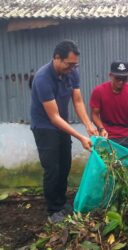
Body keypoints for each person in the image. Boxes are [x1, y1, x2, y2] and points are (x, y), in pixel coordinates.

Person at [30, 40, 98, 224]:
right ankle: (53, 210)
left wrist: (89, 125)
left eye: (75, 65)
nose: (72, 68)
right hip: (45, 127)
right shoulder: (42, 78)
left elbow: (77, 101)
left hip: (62, 125)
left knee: (65, 166)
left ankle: (61, 203)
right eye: (69, 64)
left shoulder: (72, 72)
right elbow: (53, 117)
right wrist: (81, 137)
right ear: (57, 58)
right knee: (52, 169)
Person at [90, 61, 128, 177]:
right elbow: (94, 114)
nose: (121, 82)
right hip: (107, 136)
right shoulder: (99, 91)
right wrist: (101, 128)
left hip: (126, 135)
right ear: (110, 75)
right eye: (118, 78)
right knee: (107, 172)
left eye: (124, 78)